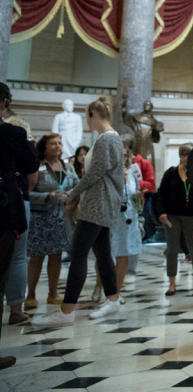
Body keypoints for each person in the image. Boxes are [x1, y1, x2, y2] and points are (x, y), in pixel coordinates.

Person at [33, 97, 125, 326]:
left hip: (98, 203)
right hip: (99, 201)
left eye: (88, 117)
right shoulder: (107, 139)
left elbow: (94, 174)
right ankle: (113, 299)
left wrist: (73, 193)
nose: (87, 121)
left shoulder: (107, 140)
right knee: (102, 253)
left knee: (79, 253)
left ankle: (67, 311)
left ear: (93, 115)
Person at [1, 82, 40, 369]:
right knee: (13, 261)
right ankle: (16, 308)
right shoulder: (12, 134)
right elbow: (31, 170)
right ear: (4, 103)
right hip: (4, 211)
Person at [26, 134, 78, 309]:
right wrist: (47, 196)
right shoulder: (38, 167)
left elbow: (77, 186)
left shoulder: (68, 167)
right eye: (53, 143)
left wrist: (73, 198)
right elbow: (26, 193)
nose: (58, 146)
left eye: (60, 143)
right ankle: (31, 294)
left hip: (61, 218)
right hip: (40, 218)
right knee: (37, 257)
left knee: (56, 256)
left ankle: (53, 293)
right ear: (45, 146)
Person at [155, 143, 193, 297]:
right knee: (172, 249)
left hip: (192, 217)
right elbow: (160, 194)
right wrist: (161, 213)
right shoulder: (171, 173)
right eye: (183, 154)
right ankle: (172, 283)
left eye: (188, 154)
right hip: (173, 216)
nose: (185, 158)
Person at [110, 137, 143, 295]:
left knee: (123, 255)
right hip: (112, 218)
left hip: (129, 219)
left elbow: (136, 196)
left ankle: (116, 291)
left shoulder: (132, 173)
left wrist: (139, 207)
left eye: (125, 155)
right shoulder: (109, 174)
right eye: (120, 155)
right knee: (108, 255)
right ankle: (101, 287)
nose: (123, 158)